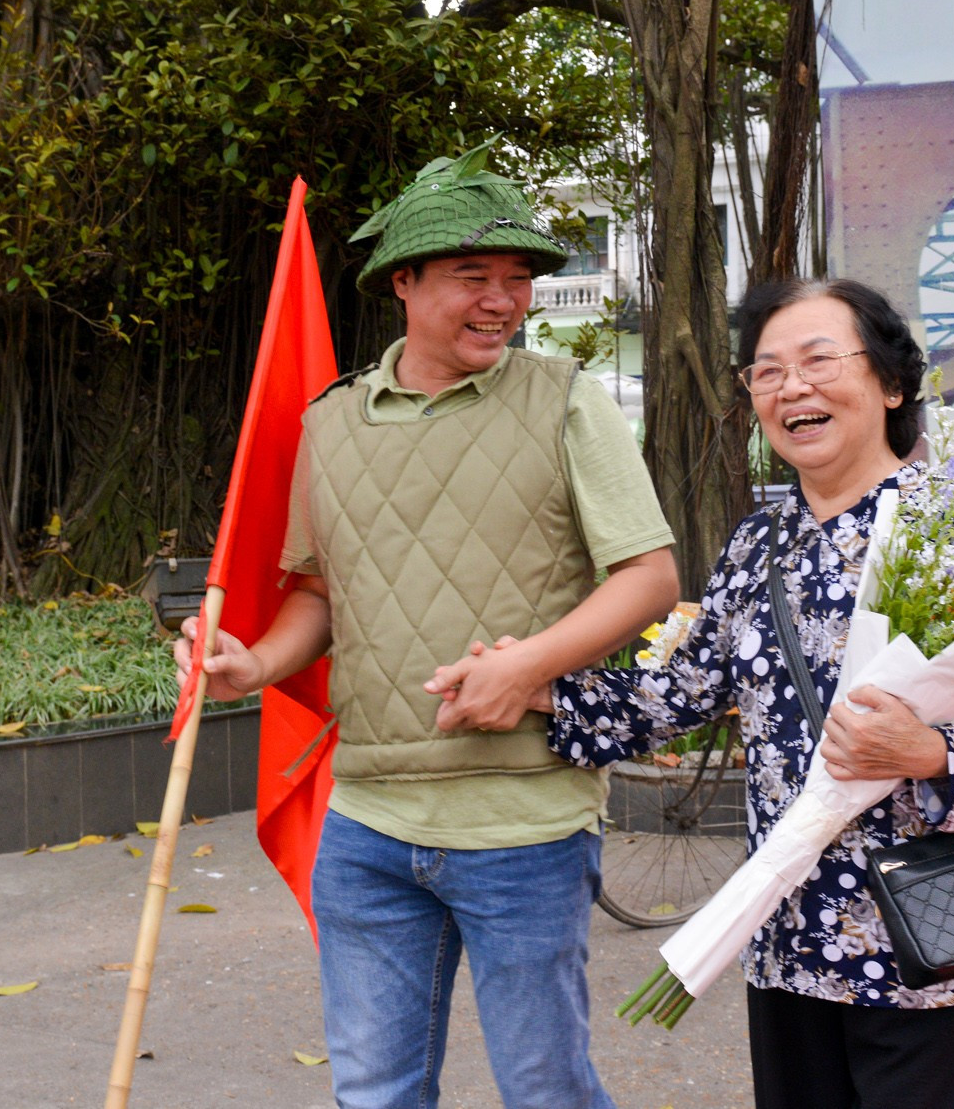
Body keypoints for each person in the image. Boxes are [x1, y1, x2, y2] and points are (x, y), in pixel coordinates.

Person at [175, 143, 679, 1109]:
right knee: (372, 1091)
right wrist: (255, 663)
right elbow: (320, 593)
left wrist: (525, 663)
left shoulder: (566, 398)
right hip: (365, 820)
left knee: (545, 1089)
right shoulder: (331, 423)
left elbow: (650, 575)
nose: (503, 300)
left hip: (524, 818)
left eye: (519, 279)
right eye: (472, 277)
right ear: (402, 282)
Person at [525, 278, 954, 1108]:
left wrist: (933, 754)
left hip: (942, 937)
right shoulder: (759, 542)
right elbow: (682, 690)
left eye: (820, 360)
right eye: (767, 370)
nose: (792, 386)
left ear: (891, 385)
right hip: (794, 935)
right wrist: (548, 692)